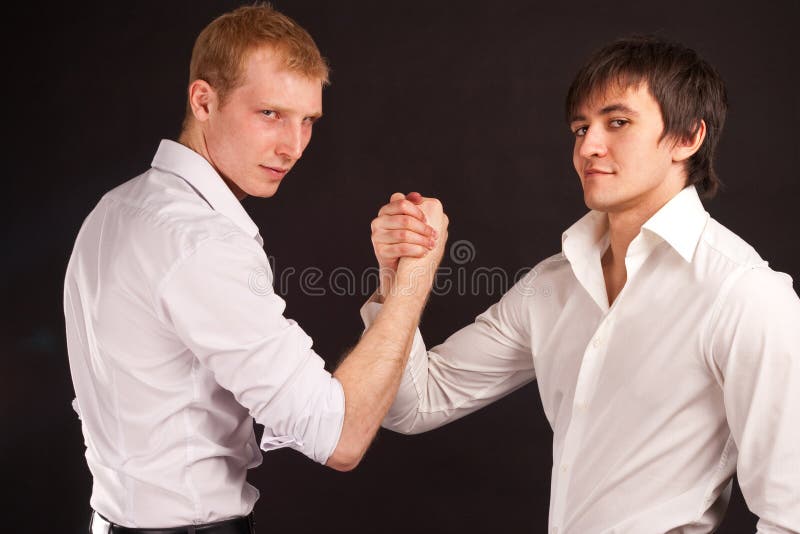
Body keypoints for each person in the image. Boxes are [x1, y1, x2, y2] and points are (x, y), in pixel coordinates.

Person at [368, 36, 800, 532]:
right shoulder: (554, 283)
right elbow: (414, 403)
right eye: (580, 127)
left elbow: (790, 512)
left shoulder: (745, 294)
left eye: (618, 122)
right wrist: (398, 279)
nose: (588, 147)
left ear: (688, 137)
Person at [63, 5, 448, 533]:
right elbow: (340, 437)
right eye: (270, 113)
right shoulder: (201, 242)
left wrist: (388, 276)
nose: (292, 146)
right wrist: (416, 273)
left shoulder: (114, 210)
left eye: (307, 120)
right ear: (204, 100)